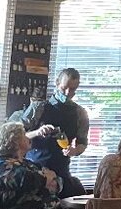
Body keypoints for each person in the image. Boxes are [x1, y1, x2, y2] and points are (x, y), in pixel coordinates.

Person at [21, 68, 89, 198]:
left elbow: (83, 143)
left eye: (73, 89)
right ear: (57, 83)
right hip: (34, 169)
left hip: (61, 171)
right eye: (65, 88)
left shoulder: (80, 113)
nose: (68, 93)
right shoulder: (38, 108)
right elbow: (19, 136)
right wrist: (37, 132)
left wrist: (74, 151)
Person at [0, 122, 61, 209]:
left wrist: (49, 180)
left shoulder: (30, 164)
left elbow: (57, 182)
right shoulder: (3, 164)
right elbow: (27, 180)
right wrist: (45, 180)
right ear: (15, 140)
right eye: (23, 135)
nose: (27, 137)